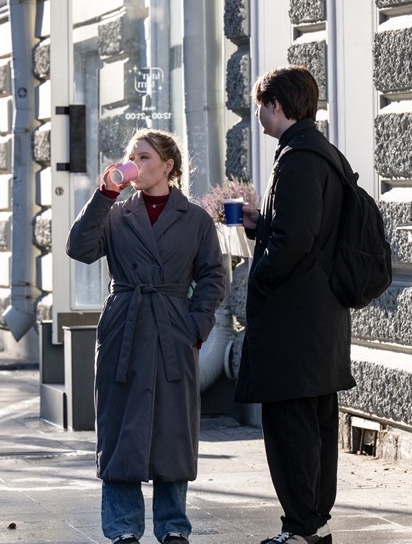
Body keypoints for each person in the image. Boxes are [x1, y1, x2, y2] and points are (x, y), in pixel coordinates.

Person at [67, 129, 226, 544]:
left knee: (173, 430)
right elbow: (79, 248)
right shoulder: (117, 214)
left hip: (173, 327)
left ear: (167, 166)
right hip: (126, 325)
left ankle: (173, 526)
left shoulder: (194, 218)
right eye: (131, 156)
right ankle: (123, 528)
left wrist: (197, 325)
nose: (134, 163)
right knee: (121, 428)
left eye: (144, 156)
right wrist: (103, 195)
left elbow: (212, 276)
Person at [234, 66, 356, 544]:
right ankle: (312, 524)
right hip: (320, 316)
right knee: (316, 425)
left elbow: (296, 239)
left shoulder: (298, 157)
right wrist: (260, 222)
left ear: (276, 105)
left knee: (291, 427)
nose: (259, 117)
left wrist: (259, 278)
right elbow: (306, 229)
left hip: (295, 319)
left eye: (260, 107)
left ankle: (301, 527)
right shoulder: (322, 153)